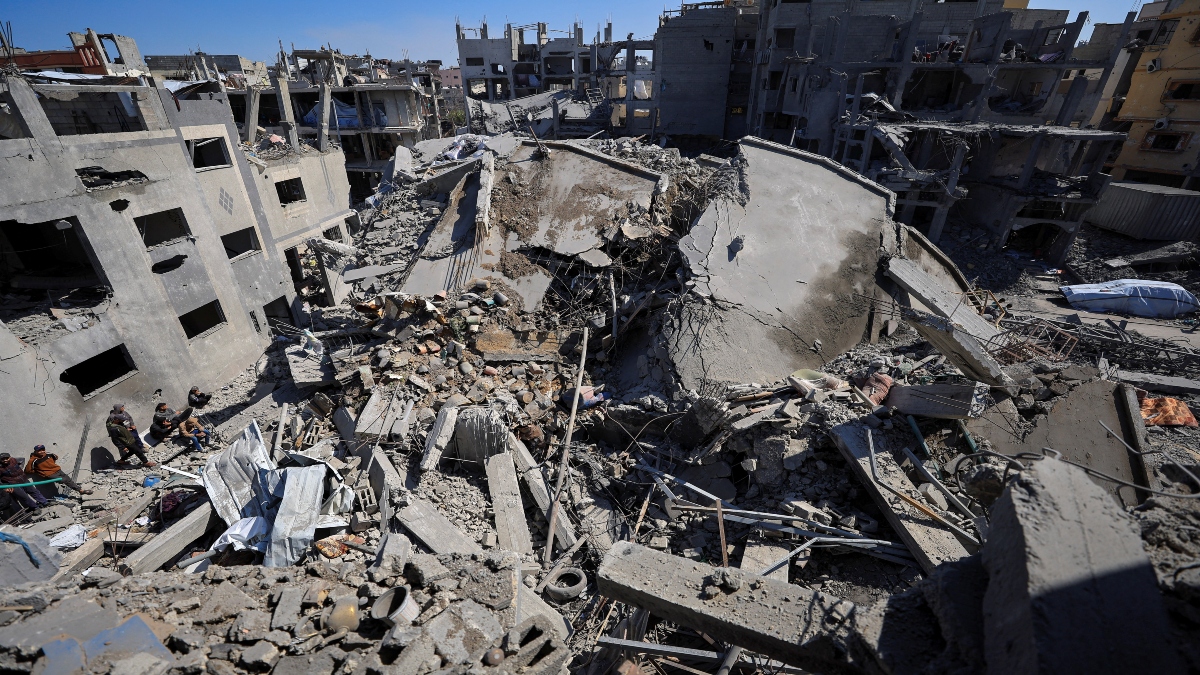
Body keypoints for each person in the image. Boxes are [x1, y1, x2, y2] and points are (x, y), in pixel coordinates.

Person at [26, 445, 93, 496]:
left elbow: (56, 457)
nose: (42, 452)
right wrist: (41, 472)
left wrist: (52, 465)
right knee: (64, 480)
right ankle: (78, 489)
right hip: (50, 475)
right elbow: (28, 470)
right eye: (39, 451)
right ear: (36, 452)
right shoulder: (34, 460)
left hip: (58, 470)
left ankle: (80, 490)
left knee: (68, 479)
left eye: (43, 450)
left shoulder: (49, 454)